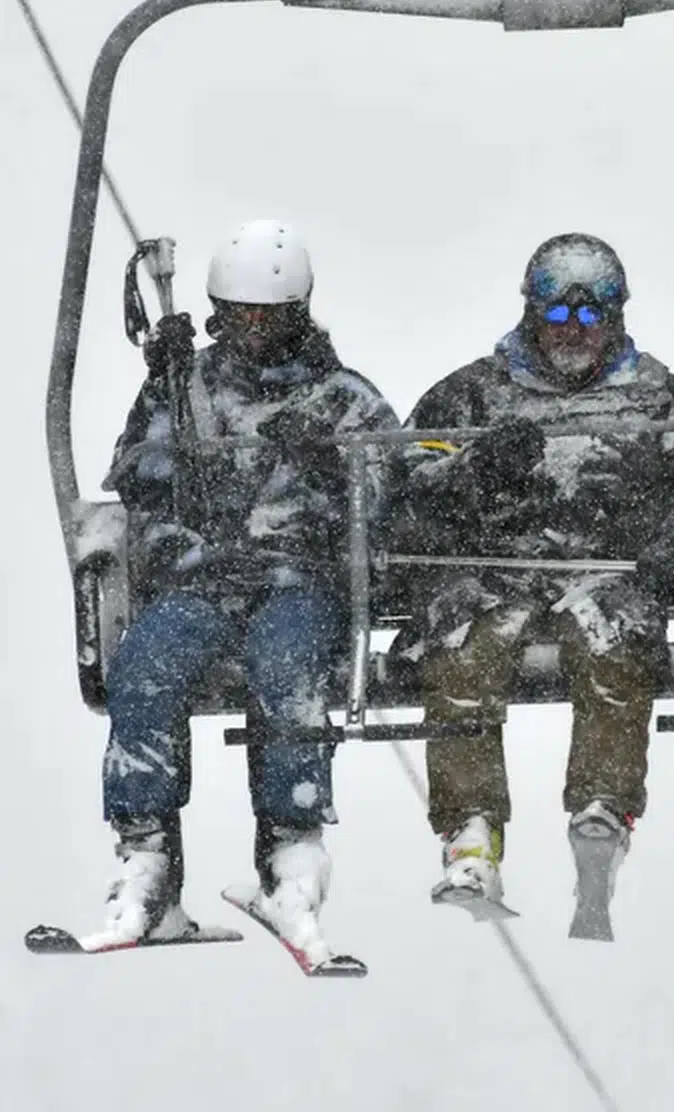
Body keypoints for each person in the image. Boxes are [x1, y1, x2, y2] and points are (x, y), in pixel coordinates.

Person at [386, 233, 674, 913]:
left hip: (604, 564)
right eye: (558, 315)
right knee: (462, 648)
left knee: (614, 641)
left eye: (591, 316)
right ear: (532, 313)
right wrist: (476, 470)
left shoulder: (654, 398)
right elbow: (408, 484)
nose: (574, 331)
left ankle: (603, 808)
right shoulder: (473, 395)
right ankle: (471, 829)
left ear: (615, 318)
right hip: (496, 568)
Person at [97, 219, 398, 956]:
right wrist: (182, 497)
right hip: (204, 580)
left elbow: (389, 493)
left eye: (270, 316)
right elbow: (135, 476)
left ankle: (290, 857)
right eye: (239, 316)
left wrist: (328, 468)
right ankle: (147, 861)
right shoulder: (183, 387)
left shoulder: (342, 399)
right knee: (144, 666)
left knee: (287, 666)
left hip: (298, 581)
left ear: (299, 311)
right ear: (217, 311)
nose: (254, 331)